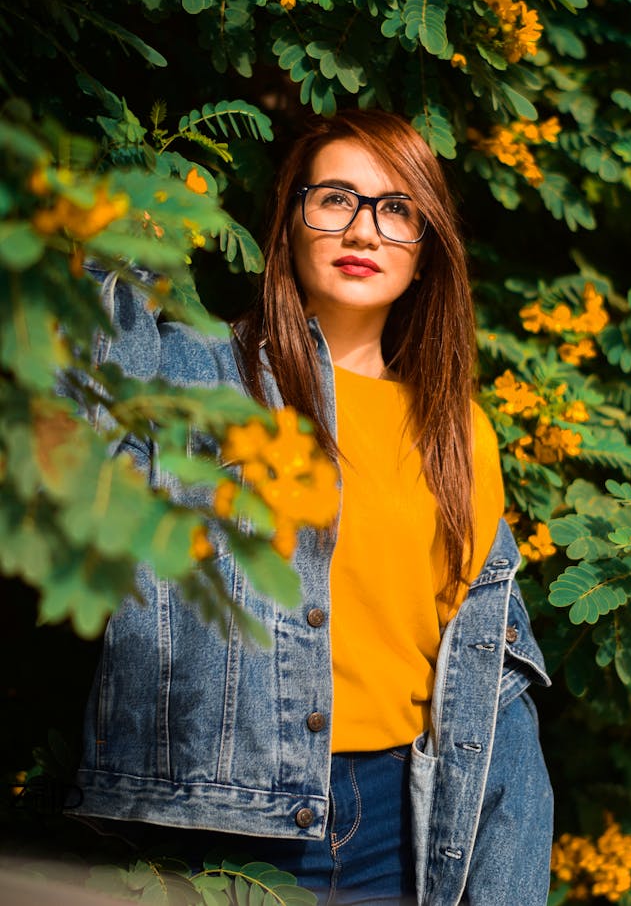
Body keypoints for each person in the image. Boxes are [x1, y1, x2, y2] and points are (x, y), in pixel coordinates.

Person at [71, 110, 553, 905]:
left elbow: (489, 683)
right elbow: (70, 451)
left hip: (404, 829)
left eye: (397, 209)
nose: (364, 228)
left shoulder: (459, 430)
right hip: (215, 825)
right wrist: (123, 243)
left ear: (426, 250)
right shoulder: (193, 372)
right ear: (290, 224)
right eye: (336, 198)